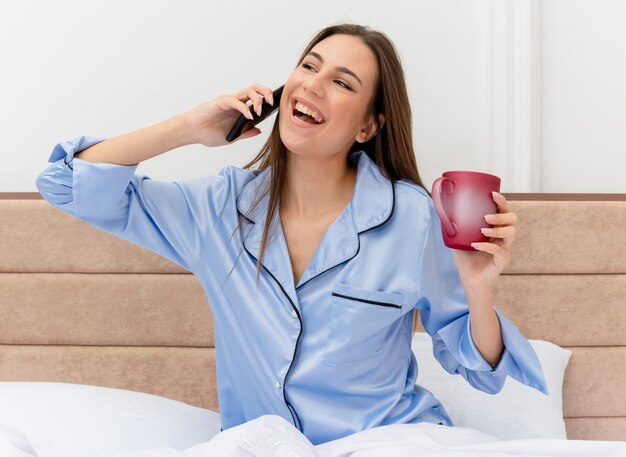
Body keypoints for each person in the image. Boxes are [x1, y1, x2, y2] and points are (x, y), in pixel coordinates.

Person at [36, 23, 548, 446]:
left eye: (343, 83)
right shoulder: (218, 209)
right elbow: (66, 184)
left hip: (388, 443)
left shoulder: (413, 218)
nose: (313, 84)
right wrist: (189, 128)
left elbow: (480, 370)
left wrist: (479, 290)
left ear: (368, 127)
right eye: (308, 66)